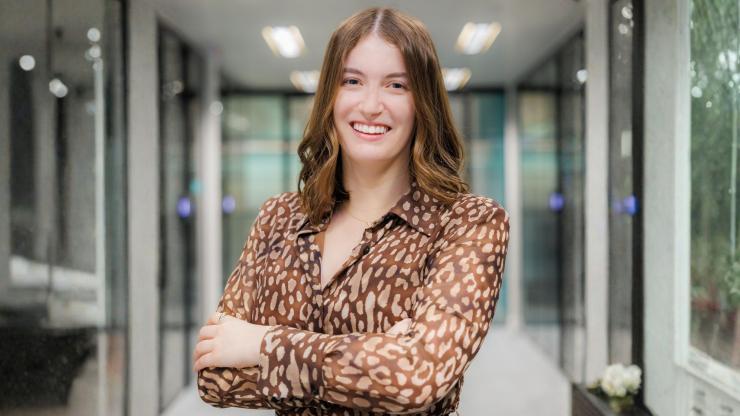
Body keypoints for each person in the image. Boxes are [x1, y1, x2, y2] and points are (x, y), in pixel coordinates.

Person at [193, 7, 510, 415]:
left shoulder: (468, 223)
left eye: (397, 85)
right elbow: (215, 377)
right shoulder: (278, 217)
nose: (371, 104)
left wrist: (261, 342)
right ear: (330, 93)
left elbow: (416, 378)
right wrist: (378, 357)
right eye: (352, 81)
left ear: (423, 103)